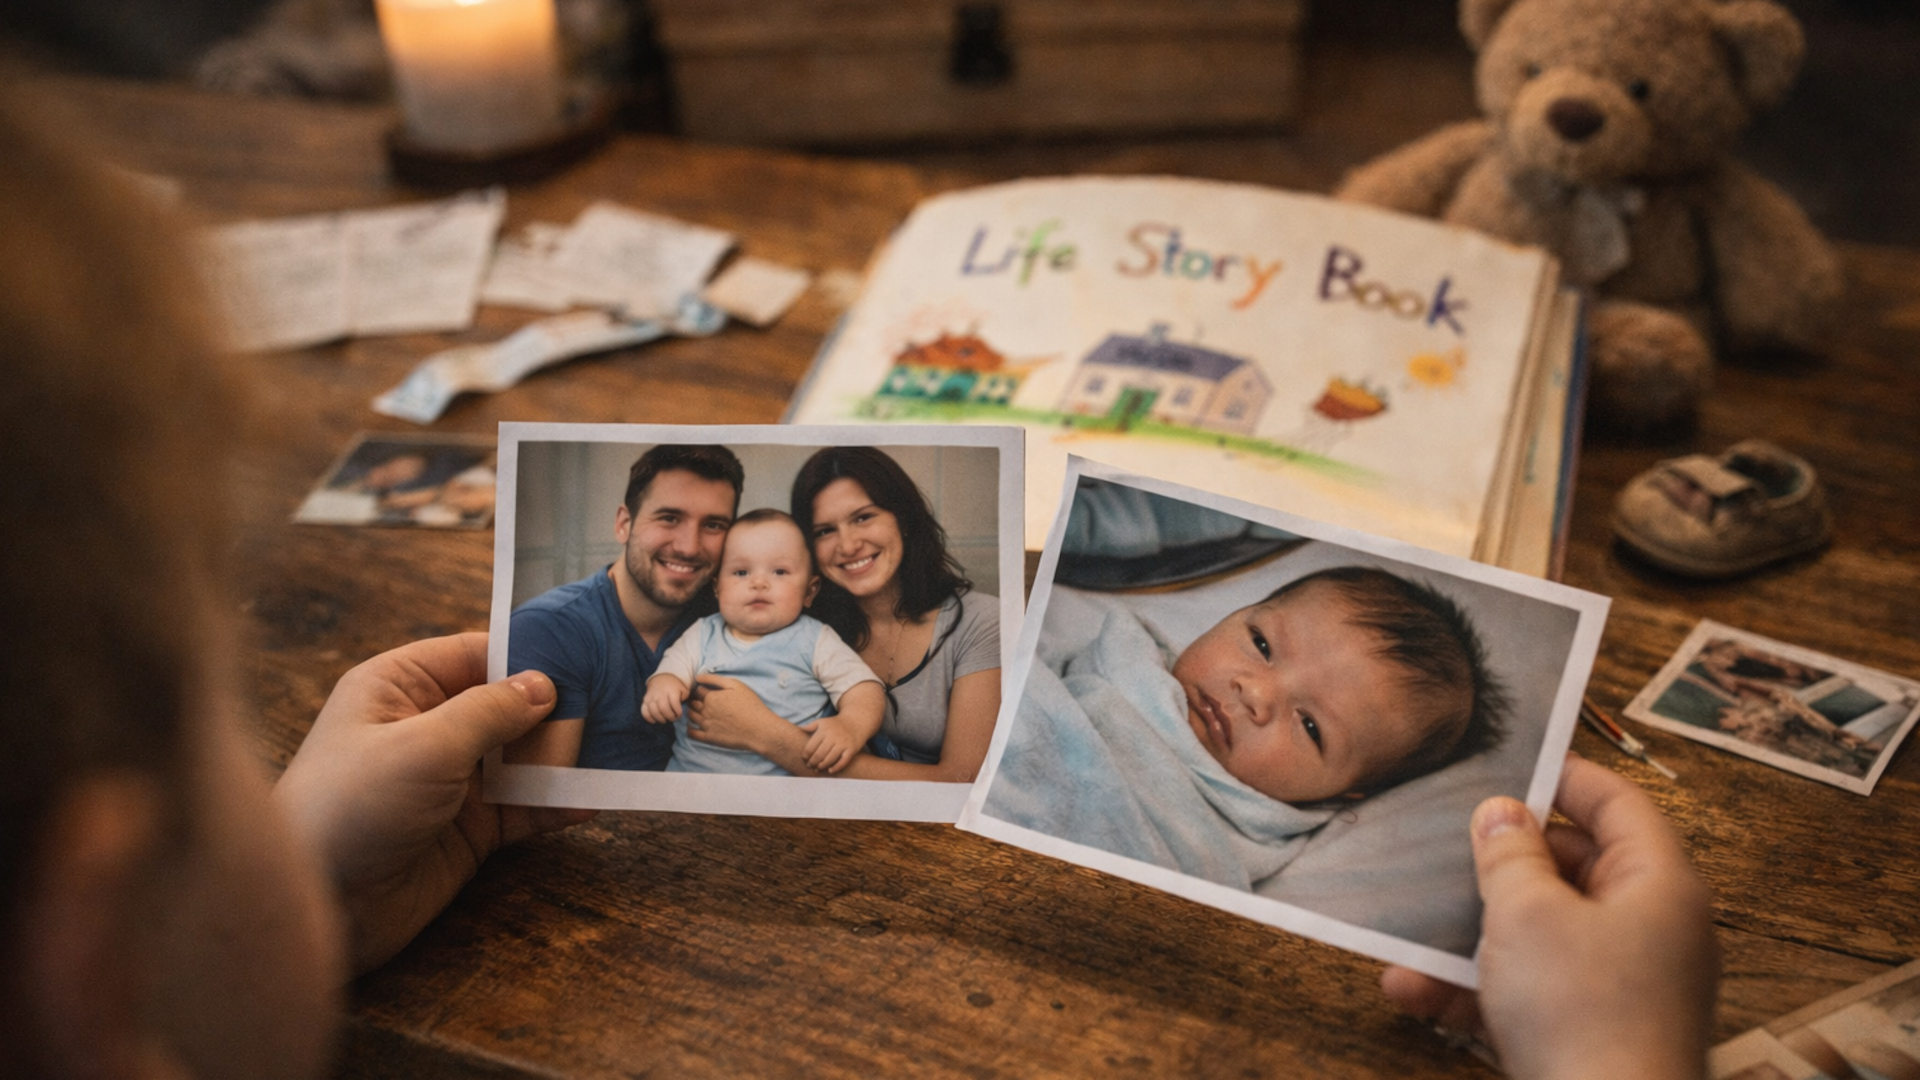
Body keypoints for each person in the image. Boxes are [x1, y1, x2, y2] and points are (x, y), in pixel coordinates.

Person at [0, 76, 1718, 1080]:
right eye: (228, 729)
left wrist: (304, 890)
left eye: (1309, 732)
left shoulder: (938, 642)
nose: (1251, 688)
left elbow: (898, 743)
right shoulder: (1039, 628)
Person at [684, 447, 1001, 782]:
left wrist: (766, 736)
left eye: (863, 517)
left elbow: (963, 781)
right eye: (825, 531)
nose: (848, 545)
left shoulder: (980, 622)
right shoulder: (798, 622)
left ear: (904, 518)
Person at [1173, 565, 1507, 803]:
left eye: (1310, 727)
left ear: (1344, 795)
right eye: (1262, 644)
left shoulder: (1231, 840)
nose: (1255, 694)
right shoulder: (1126, 641)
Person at [503, 443, 742, 770]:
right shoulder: (548, 629)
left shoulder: (734, 616)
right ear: (623, 524)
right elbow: (540, 806)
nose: (689, 546)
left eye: (713, 525)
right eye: (669, 518)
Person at [642, 510, 885, 775]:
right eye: (741, 572)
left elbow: (864, 689)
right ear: (717, 588)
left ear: (809, 591)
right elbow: (672, 670)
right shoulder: (702, 633)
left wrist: (850, 725)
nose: (758, 583)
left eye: (780, 571)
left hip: (782, 794)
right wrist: (664, 686)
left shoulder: (814, 639)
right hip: (691, 784)